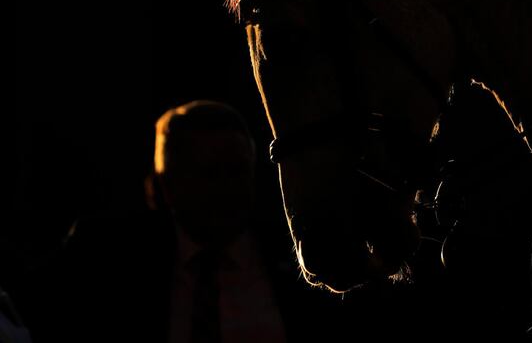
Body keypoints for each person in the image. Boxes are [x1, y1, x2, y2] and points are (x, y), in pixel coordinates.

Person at [56, 100, 341, 343]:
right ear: (168, 185)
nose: (226, 188)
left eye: (237, 170)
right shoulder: (107, 260)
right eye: (209, 173)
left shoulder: (307, 261)